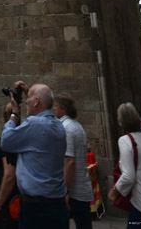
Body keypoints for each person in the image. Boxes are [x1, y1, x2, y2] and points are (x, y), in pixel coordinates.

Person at [1, 80, 68, 229]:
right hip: (58, 205)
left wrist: (14, 114)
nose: (25, 102)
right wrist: (29, 92)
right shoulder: (59, 126)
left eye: (29, 98)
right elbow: (42, 105)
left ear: (36, 101)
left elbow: (5, 141)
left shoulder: (33, 125)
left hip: (36, 208)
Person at [53, 94, 93, 229]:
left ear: (63, 109)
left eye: (56, 106)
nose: (53, 109)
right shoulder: (75, 125)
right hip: (81, 190)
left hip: (75, 193)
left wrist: (65, 191)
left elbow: (69, 161)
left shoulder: (67, 128)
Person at [0, 103, 20, 229]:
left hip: (9, 197)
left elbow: (9, 174)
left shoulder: (8, 140)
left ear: (4, 118)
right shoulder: (22, 135)